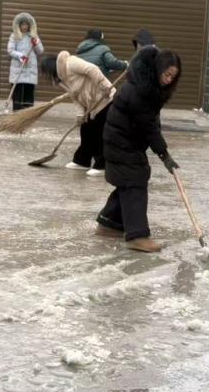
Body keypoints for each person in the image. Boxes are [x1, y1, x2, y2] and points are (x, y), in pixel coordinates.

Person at [96, 46, 182, 253]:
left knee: (128, 181)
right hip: (121, 143)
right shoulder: (140, 92)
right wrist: (164, 155)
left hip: (125, 141)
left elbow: (150, 124)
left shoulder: (147, 87)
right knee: (135, 182)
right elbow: (149, 128)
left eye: (173, 77)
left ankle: (109, 223)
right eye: (167, 74)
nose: (169, 80)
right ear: (158, 69)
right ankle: (137, 236)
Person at [39, 51, 116, 176]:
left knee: (99, 132)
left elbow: (92, 69)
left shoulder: (71, 62)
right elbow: (74, 96)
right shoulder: (62, 79)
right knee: (85, 129)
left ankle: (102, 165)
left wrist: (103, 86)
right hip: (90, 105)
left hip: (105, 98)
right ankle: (82, 160)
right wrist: (80, 114)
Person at [69, 29, 127, 173]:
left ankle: (82, 159)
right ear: (100, 38)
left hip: (86, 95)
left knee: (87, 127)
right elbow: (112, 63)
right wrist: (126, 64)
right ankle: (100, 162)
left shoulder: (80, 51)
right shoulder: (102, 49)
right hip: (101, 93)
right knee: (100, 128)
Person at [7, 12, 44, 111]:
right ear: (18, 25)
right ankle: (16, 113)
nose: (24, 27)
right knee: (18, 95)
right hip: (18, 70)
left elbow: (40, 51)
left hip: (30, 71)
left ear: (29, 25)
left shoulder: (33, 36)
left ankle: (27, 114)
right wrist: (21, 56)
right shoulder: (14, 36)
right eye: (22, 24)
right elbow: (10, 50)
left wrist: (36, 44)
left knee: (28, 96)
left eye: (26, 24)